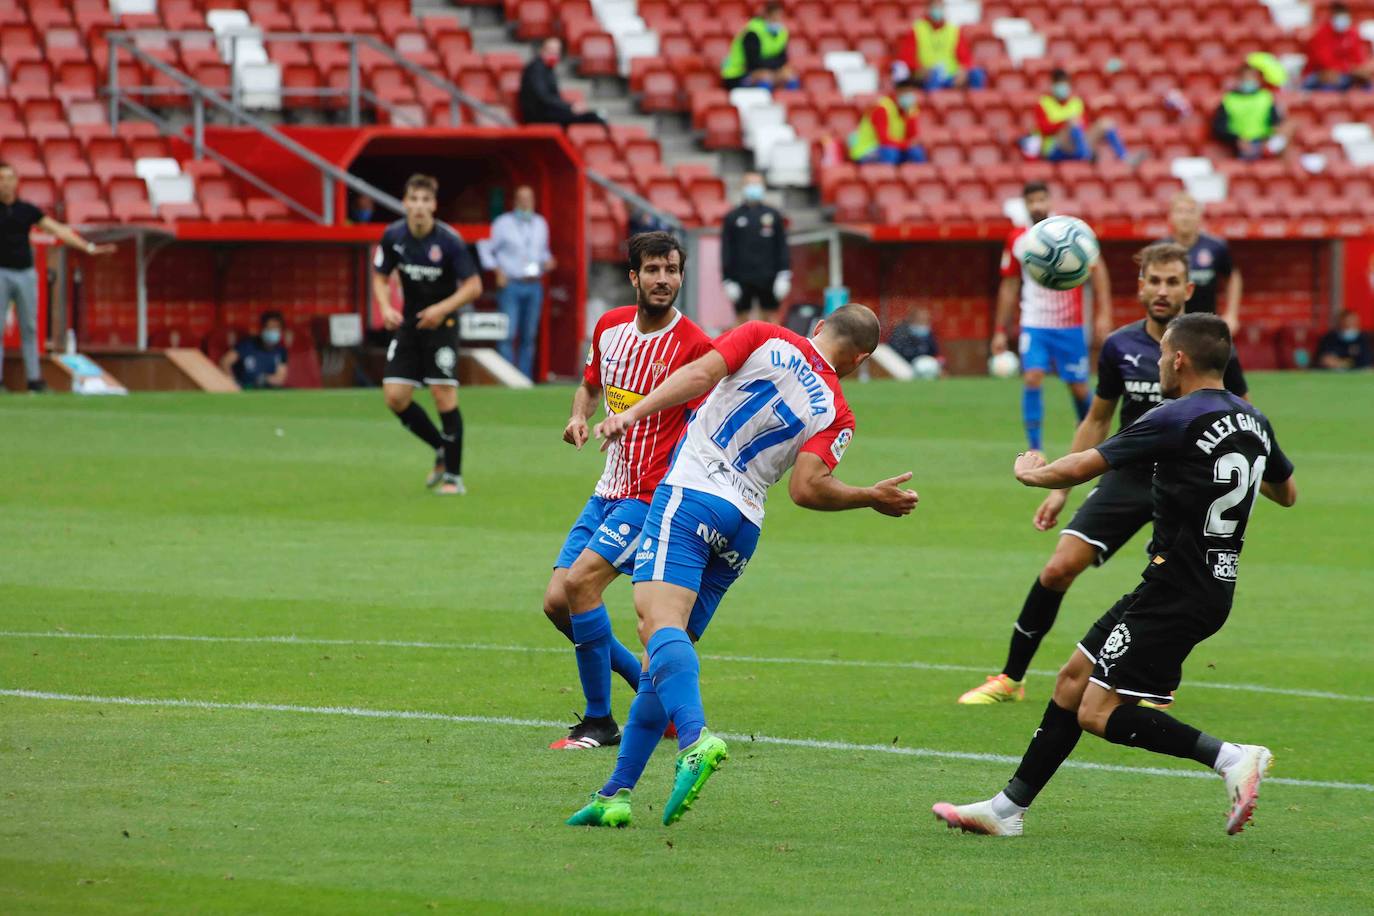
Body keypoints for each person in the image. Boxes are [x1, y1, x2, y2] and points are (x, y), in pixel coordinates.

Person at [935, 312, 1297, 838]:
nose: (1157, 365)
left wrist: (1029, 471)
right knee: (1070, 680)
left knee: (1097, 711)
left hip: (1179, 589)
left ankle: (1230, 757)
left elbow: (1083, 465)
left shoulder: (1175, 416)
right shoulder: (1255, 420)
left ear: (1178, 359)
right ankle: (1006, 810)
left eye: (1161, 356)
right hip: (1198, 583)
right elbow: (1287, 493)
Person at [565, 305, 920, 828]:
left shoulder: (764, 336)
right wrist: (869, 495)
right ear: (860, 359)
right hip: (743, 524)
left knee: (655, 623)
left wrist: (632, 413)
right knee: (658, 665)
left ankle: (694, 740)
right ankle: (615, 793)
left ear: (819, 325)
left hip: (693, 490)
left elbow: (699, 375)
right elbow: (806, 489)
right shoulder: (839, 414)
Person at [958, 244, 1249, 705]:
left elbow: (1239, 414)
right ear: (1140, 286)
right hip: (1128, 476)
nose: (1162, 290)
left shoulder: (1208, 345)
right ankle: (1010, 679)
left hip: (1185, 485)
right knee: (1057, 568)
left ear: (1188, 289)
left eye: (1173, 281)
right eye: (1154, 280)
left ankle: (1158, 681)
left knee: (1175, 580)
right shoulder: (1120, 346)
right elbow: (1096, 420)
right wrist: (1061, 490)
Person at [543, 232, 714, 750]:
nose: (664, 279)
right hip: (607, 490)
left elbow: (705, 428)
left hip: (651, 497)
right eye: (654, 270)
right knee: (557, 603)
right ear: (634, 276)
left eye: (672, 270)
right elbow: (592, 385)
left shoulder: (695, 348)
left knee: (581, 587)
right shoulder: (611, 327)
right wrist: (578, 416)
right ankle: (655, 691)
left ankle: (599, 722)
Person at [375, 174, 483, 496]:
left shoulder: (449, 241)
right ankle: (439, 447)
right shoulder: (393, 236)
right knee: (395, 397)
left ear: (433, 205)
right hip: (409, 325)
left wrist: (441, 309)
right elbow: (380, 276)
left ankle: (454, 477)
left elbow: (474, 287)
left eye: (426, 201)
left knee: (443, 396)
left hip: (442, 327)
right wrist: (384, 306)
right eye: (414, 200)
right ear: (406, 202)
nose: (420, 206)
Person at [993, 182, 1112, 452]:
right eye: (1031, 201)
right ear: (1025, 204)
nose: (1037, 206)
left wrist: (1104, 313)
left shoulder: (1069, 231)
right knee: (1032, 377)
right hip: (1034, 324)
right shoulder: (1018, 239)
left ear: (1050, 200)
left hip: (1069, 325)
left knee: (1079, 388)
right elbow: (1009, 285)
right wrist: (1001, 328)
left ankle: (1093, 438)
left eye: (1041, 199)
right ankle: (1035, 448)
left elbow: (1098, 268)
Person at [0, 161, 115, 392]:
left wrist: (88, 247)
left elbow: (58, 230)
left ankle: (34, 379)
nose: (6, 183)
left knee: (30, 327)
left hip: (25, 273)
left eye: (9, 178)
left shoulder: (27, 210)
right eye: (1, 179)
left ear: (17, 182)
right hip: (1, 272)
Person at [488, 185, 555, 380]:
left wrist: (548, 260)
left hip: (534, 283)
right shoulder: (502, 223)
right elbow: (487, 249)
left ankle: (523, 378)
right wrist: (498, 270)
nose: (526, 203)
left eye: (529, 199)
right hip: (511, 283)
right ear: (515, 201)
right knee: (507, 333)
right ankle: (506, 377)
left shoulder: (541, 223)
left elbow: (542, 251)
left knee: (529, 334)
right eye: (522, 199)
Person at [1022, 69, 1137, 164]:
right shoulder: (1043, 103)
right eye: (1059, 83)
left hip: (1077, 142)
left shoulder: (1076, 102)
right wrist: (1065, 123)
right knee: (1073, 123)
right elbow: (1044, 129)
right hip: (1055, 147)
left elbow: (1085, 125)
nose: (1062, 87)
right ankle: (1085, 156)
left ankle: (1124, 157)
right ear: (1053, 85)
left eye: (1065, 83)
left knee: (1106, 123)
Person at [720, 172, 791, 326]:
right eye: (750, 184)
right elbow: (726, 249)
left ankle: (774, 349)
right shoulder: (732, 217)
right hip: (741, 277)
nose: (754, 188)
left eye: (757, 184)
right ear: (743, 187)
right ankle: (740, 350)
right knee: (741, 320)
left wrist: (784, 273)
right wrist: (727, 279)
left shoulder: (773, 215)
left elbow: (782, 245)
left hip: (768, 276)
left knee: (771, 318)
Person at [892, 2, 987, 90]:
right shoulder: (917, 30)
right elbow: (907, 58)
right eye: (934, 7)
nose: (937, 11)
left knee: (977, 74)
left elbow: (965, 58)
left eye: (940, 7)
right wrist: (920, 69)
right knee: (934, 77)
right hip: (929, 75)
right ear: (928, 9)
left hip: (951, 76)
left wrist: (963, 71)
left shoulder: (953, 30)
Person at [518, 38, 606, 127]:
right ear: (542, 50)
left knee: (591, 116)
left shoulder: (548, 69)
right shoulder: (535, 69)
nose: (554, 54)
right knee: (591, 118)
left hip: (548, 111)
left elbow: (553, 97)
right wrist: (569, 108)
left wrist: (568, 107)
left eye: (557, 52)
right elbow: (543, 97)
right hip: (538, 115)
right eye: (551, 50)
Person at [1212, 64, 1293, 160]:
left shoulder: (1265, 97)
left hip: (1263, 140)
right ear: (1239, 79)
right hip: (1240, 143)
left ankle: (1271, 153)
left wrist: (1269, 140)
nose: (1249, 80)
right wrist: (1237, 139)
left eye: (1251, 77)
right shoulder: (1229, 99)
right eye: (1245, 77)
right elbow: (1219, 127)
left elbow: (1275, 122)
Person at [721, 2, 799, 91]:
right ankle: (762, 104)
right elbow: (752, 62)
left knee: (789, 76)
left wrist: (776, 72)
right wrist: (773, 71)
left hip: (765, 70)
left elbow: (782, 59)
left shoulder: (781, 33)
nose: (777, 21)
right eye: (774, 18)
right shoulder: (752, 32)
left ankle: (789, 101)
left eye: (779, 17)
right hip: (737, 75)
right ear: (766, 16)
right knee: (765, 78)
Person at [848, 80, 928, 165]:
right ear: (897, 93)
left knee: (916, 152)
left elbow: (912, 138)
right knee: (890, 152)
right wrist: (907, 145)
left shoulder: (909, 110)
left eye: (912, 93)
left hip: (894, 147)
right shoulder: (882, 108)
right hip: (867, 151)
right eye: (906, 93)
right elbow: (884, 140)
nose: (910, 97)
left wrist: (911, 117)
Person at [1304, 2, 1372, 90]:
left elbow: (1357, 59)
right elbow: (1324, 63)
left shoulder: (1352, 34)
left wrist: (1357, 70)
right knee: (1329, 84)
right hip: (1319, 75)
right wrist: (1349, 69)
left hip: (1345, 74)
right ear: (1332, 17)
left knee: (1367, 86)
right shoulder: (1321, 35)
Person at [220, 311, 289, 390]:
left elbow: (280, 378)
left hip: (268, 392)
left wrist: (265, 379)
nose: (272, 331)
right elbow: (225, 362)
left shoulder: (281, 351)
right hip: (244, 390)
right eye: (269, 327)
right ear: (262, 329)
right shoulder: (247, 345)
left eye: (275, 328)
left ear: (281, 331)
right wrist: (232, 381)